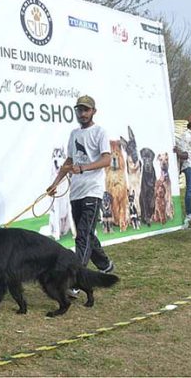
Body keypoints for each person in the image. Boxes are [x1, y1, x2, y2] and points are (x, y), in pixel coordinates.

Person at [47, 95, 115, 291]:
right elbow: (69, 162)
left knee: (82, 235)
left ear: (93, 111)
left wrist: (84, 168)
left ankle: (75, 281)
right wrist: (55, 183)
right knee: (87, 235)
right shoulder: (74, 134)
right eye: (79, 110)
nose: (82, 113)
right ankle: (105, 265)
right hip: (76, 192)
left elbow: (106, 160)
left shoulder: (100, 132)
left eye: (86, 110)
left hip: (93, 191)